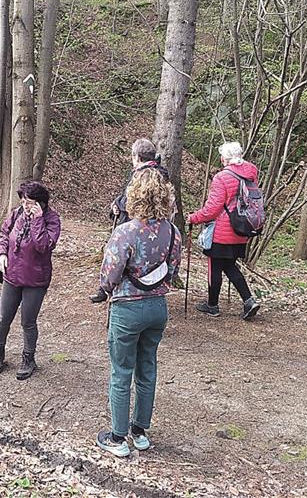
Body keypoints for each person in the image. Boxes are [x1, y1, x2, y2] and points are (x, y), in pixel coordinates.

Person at [96, 167, 182, 458]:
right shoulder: (173, 232)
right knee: (148, 369)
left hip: (127, 308)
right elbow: (172, 270)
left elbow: (109, 274)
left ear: (134, 195)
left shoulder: (126, 232)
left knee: (122, 371)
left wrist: (106, 288)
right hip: (157, 308)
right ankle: (140, 432)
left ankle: (118, 437)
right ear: (165, 197)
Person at [0, 180, 61, 380]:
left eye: (29, 202)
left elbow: (44, 247)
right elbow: (4, 235)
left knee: (28, 322)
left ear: (40, 203)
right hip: (12, 275)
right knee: (4, 317)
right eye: (23, 201)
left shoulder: (52, 220)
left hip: (36, 279)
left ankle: (28, 359)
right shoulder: (16, 213)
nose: (25, 205)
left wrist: (38, 219)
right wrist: (1, 254)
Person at [90, 138, 170, 303]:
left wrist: (119, 205)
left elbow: (131, 200)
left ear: (137, 156)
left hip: (136, 222)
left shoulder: (145, 174)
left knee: (124, 257)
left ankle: (113, 289)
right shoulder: (157, 172)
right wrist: (116, 203)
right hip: (153, 224)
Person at [187, 141, 261, 320]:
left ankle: (212, 305)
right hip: (243, 229)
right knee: (229, 265)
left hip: (222, 231)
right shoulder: (251, 174)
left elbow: (212, 208)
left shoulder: (222, 177)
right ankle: (249, 300)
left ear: (224, 158)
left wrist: (193, 218)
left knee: (215, 266)